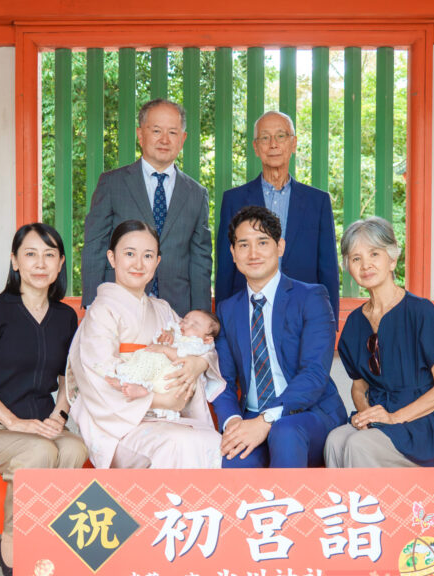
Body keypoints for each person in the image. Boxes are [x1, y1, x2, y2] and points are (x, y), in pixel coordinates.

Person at [0, 223, 88, 576]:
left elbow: (68, 377)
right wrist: (13, 423)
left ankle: (49, 535)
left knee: (76, 448)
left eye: (49, 255)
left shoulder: (65, 317)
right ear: (15, 261)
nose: (40, 263)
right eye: (30, 254)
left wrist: (60, 414)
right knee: (40, 453)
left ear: (61, 263)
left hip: (39, 423)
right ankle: (14, 540)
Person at [67, 220, 223, 469]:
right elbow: (98, 377)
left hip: (166, 417)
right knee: (176, 444)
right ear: (112, 257)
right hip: (117, 426)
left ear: (158, 261)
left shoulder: (162, 310)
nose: (139, 264)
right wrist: (161, 400)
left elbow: (201, 343)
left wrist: (197, 362)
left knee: (210, 441)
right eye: (129, 254)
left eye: (148, 255)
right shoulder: (101, 311)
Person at [324, 216, 434, 469]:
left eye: (374, 254)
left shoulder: (420, 311)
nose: (365, 265)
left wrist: (394, 418)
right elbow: (358, 388)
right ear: (347, 266)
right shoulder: (354, 323)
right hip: (382, 416)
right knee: (335, 440)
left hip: (424, 422)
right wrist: (367, 415)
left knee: (358, 445)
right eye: (356, 258)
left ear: (392, 259)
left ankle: (372, 509)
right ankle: (343, 509)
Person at [212, 205, 348, 468]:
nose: (253, 253)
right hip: (250, 417)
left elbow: (314, 374)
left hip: (308, 415)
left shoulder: (312, 297)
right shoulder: (227, 310)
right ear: (233, 253)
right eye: (243, 245)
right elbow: (223, 380)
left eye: (262, 242)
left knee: (283, 433)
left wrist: (267, 419)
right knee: (233, 460)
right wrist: (234, 423)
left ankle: (292, 510)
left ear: (280, 247)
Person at [81, 99, 211, 316]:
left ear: (183, 139)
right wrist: (92, 305)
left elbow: (200, 259)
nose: (164, 139)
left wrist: (200, 313)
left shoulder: (196, 194)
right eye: (156, 130)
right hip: (119, 305)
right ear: (140, 135)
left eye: (172, 132)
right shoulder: (112, 183)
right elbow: (95, 245)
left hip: (176, 310)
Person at [216, 111, 340, 316]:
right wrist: (222, 320)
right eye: (265, 137)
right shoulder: (233, 200)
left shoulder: (317, 201)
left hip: (303, 311)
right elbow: (225, 267)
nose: (273, 144)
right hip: (248, 310)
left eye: (281, 136)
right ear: (256, 147)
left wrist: (330, 319)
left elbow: (328, 268)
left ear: (293, 143)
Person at [113, 309, 221, 420]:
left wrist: (164, 349)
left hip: (176, 377)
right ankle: (135, 385)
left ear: (207, 339)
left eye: (194, 325)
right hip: (163, 372)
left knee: (152, 360)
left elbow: (183, 357)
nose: (186, 325)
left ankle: (132, 383)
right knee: (148, 358)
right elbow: (163, 342)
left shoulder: (198, 344)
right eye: (184, 320)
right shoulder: (178, 334)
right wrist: (166, 337)